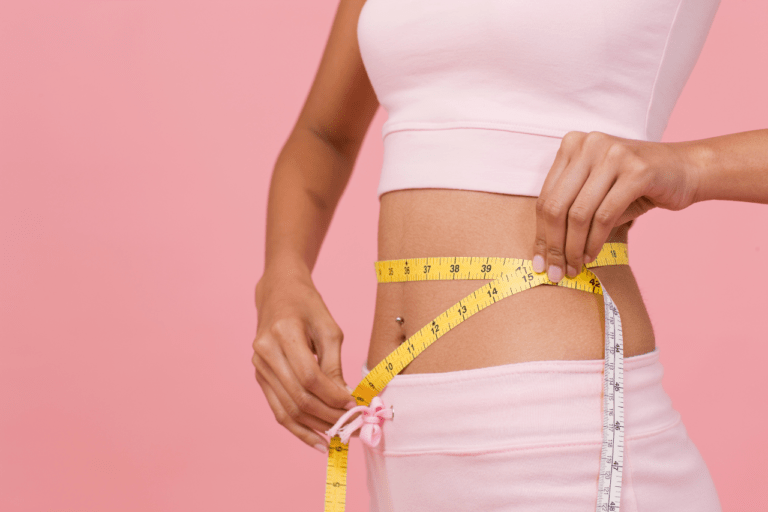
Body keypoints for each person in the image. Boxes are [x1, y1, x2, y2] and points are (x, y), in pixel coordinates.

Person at [253, 0, 767, 509]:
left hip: (560, 445)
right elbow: (323, 135)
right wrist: (281, 275)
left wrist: (693, 166)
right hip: (393, 443)